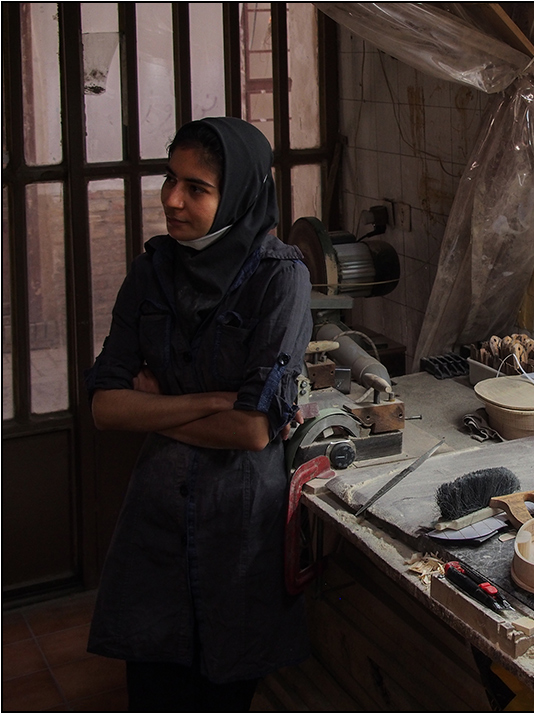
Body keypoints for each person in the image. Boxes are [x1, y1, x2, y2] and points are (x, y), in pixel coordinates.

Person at [85, 117, 313, 711]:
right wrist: (206, 402)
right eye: (170, 179)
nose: (171, 199)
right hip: (156, 520)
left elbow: (252, 428)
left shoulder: (278, 278)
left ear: (236, 193)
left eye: (196, 188)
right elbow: (106, 407)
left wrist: (153, 406)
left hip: (237, 526)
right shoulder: (153, 272)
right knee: (153, 687)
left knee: (224, 690)